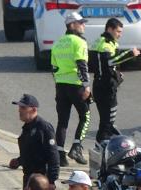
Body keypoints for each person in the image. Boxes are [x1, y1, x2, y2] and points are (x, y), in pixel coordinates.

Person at [89, 18, 139, 144]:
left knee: (106, 121)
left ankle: (101, 145)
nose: (120, 35)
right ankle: (102, 147)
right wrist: (130, 54)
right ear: (109, 29)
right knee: (108, 121)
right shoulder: (105, 44)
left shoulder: (100, 42)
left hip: (100, 85)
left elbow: (105, 66)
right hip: (105, 88)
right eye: (118, 31)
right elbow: (110, 61)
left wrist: (117, 74)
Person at [52, 11, 92, 166]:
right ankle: (76, 147)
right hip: (76, 85)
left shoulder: (58, 43)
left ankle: (60, 155)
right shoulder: (79, 42)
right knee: (85, 116)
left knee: (62, 121)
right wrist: (86, 86)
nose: (83, 26)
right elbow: (82, 65)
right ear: (72, 25)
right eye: (81, 23)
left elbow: (54, 68)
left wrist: (58, 84)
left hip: (61, 86)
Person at [8, 94, 60, 188]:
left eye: (23, 108)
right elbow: (32, 152)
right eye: (19, 107)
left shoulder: (44, 128)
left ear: (34, 110)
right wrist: (19, 161)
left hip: (41, 180)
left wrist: (51, 181)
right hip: (29, 178)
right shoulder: (27, 126)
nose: (19, 110)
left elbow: (53, 156)